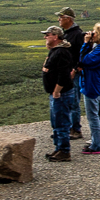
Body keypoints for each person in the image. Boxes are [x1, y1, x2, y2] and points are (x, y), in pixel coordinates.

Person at [76, 23, 100, 154]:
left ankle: (97, 145)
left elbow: (84, 60)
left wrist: (86, 43)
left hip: (92, 85)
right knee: (93, 114)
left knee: (93, 116)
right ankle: (96, 142)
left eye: (94, 33)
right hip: (93, 83)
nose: (91, 35)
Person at [40, 25, 76, 162]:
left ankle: (64, 151)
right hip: (57, 94)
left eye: (47, 35)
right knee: (56, 123)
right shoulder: (56, 51)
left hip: (61, 94)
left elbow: (64, 75)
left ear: (55, 36)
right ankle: (58, 148)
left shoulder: (61, 52)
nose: (45, 37)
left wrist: (56, 91)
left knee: (61, 123)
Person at [54, 7, 86, 140]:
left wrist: (76, 68)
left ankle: (76, 129)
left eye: (61, 17)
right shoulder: (67, 34)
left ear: (68, 19)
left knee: (73, 101)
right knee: (67, 101)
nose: (59, 20)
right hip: (66, 72)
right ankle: (68, 128)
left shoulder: (77, 34)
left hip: (74, 73)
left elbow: (83, 53)